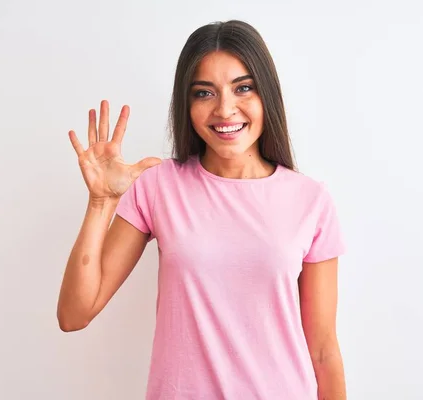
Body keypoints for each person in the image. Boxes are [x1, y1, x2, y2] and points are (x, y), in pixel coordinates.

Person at [57, 19, 347, 400]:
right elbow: (74, 315)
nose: (225, 109)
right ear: (187, 104)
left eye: (243, 88)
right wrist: (101, 203)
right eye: (204, 93)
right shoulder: (159, 186)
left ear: (267, 96)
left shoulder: (309, 200)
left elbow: (323, 351)